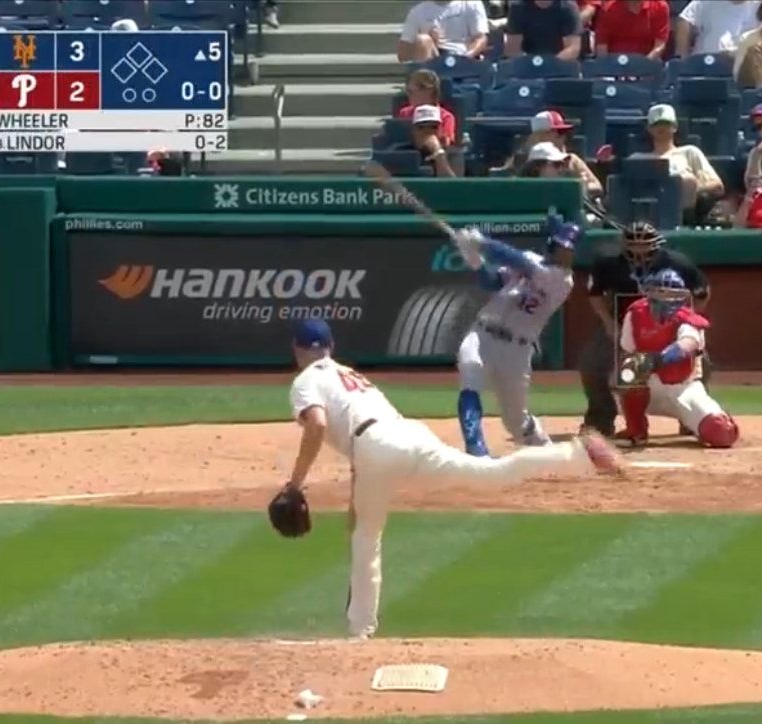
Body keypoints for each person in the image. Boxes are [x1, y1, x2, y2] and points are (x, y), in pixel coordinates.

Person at [279, 318, 620, 639]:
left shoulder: (305, 380)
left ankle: (360, 632)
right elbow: (362, 444)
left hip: (375, 449)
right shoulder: (350, 375)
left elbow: (319, 424)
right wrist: (359, 502)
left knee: (367, 539)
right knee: (488, 473)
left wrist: (294, 484)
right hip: (408, 433)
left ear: (296, 349)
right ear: (331, 345)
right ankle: (575, 456)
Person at [454, 214, 580, 456]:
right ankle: (475, 448)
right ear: (552, 244)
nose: (566, 254)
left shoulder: (563, 281)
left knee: (516, 422)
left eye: (570, 251)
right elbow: (490, 282)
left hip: (517, 351)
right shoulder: (530, 260)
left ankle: (544, 449)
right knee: (471, 375)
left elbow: (519, 262)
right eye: (562, 248)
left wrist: (483, 243)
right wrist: (475, 260)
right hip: (482, 335)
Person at [577, 221, 709, 437]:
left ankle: (692, 418)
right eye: (633, 245)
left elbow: (702, 293)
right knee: (592, 363)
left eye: (644, 245)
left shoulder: (677, 263)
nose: (639, 251)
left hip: (670, 323)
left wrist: (685, 321)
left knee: (701, 363)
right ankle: (601, 420)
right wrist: (609, 324)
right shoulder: (609, 263)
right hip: (623, 323)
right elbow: (595, 295)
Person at [615, 270, 740, 448]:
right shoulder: (635, 314)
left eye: (673, 296)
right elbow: (627, 350)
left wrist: (663, 357)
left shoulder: (687, 319)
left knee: (720, 433)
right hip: (650, 388)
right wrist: (642, 364)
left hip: (683, 389)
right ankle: (636, 429)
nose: (666, 301)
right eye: (661, 294)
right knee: (629, 370)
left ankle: (706, 419)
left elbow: (688, 342)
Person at [628, 104, 725, 226]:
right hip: (644, 213)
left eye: (665, 123)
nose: (661, 128)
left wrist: (686, 188)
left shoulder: (690, 152)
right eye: (656, 124)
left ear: (675, 127)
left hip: (682, 215)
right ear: (649, 129)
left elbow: (717, 186)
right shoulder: (637, 158)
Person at [500, 111, 602, 196]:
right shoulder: (519, 161)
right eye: (559, 133)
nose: (564, 137)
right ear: (539, 136)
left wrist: (581, 186)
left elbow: (597, 186)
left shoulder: (571, 160)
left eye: (565, 133)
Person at [398, 0, 491, 62]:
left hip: (463, 57)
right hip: (434, 59)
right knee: (423, 40)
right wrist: (429, 41)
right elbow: (402, 56)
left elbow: (481, 38)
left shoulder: (471, 4)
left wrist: (466, 56)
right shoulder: (418, 12)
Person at [394, 69, 458, 145]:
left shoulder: (446, 117)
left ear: (428, 91)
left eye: (411, 91)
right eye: (407, 91)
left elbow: (447, 143)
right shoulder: (404, 113)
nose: (408, 95)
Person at [675, 0, 759, 57]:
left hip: (744, 69)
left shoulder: (761, 5)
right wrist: (683, 59)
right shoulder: (706, 2)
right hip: (705, 63)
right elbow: (685, 19)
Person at [504, 0, 582, 59]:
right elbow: (513, 49)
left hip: (560, 68)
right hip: (526, 69)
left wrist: (550, 64)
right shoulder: (518, 8)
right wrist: (533, 64)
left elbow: (572, 48)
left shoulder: (568, 7)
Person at [394, 105, 458, 177]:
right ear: (413, 131)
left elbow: (453, 186)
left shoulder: (453, 154)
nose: (427, 132)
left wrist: (438, 153)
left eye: (433, 127)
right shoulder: (401, 152)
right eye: (421, 127)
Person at [593, 0, 670, 58]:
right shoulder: (608, 9)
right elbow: (601, 47)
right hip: (615, 67)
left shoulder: (659, 7)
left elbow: (659, 46)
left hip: (648, 66)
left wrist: (644, 65)